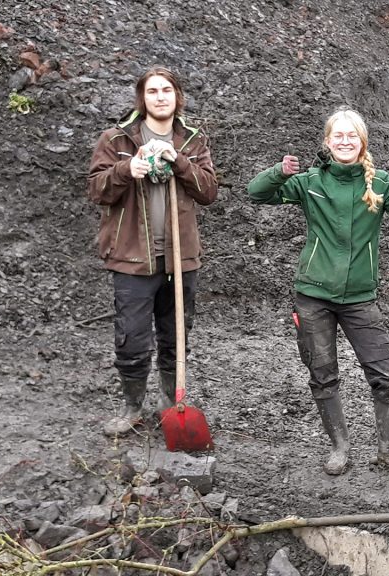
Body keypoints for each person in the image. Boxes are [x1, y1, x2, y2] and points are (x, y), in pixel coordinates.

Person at [247, 108, 389, 479]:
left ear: (362, 142)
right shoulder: (309, 182)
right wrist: (279, 172)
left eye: (351, 135)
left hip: (359, 298)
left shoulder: (380, 183)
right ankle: (339, 447)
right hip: (313, 296)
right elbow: (256, 193)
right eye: (338, 136)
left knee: (385, 374)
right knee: (323, 374)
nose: (345, 141)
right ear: (327, 141)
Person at [87, 66, 219, 437]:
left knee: (175, 335)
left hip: (180, 257)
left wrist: (179, 161)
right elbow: (96, 189)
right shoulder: (117, 139)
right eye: (152, 91)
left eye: (166, 90)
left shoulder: (192, 140)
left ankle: (168, 402)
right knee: (131, 336)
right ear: (142, 98)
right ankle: (132, 406)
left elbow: (209, 191)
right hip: (132, 257)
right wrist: (126, 169)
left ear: (177, 97)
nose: (160, 97)